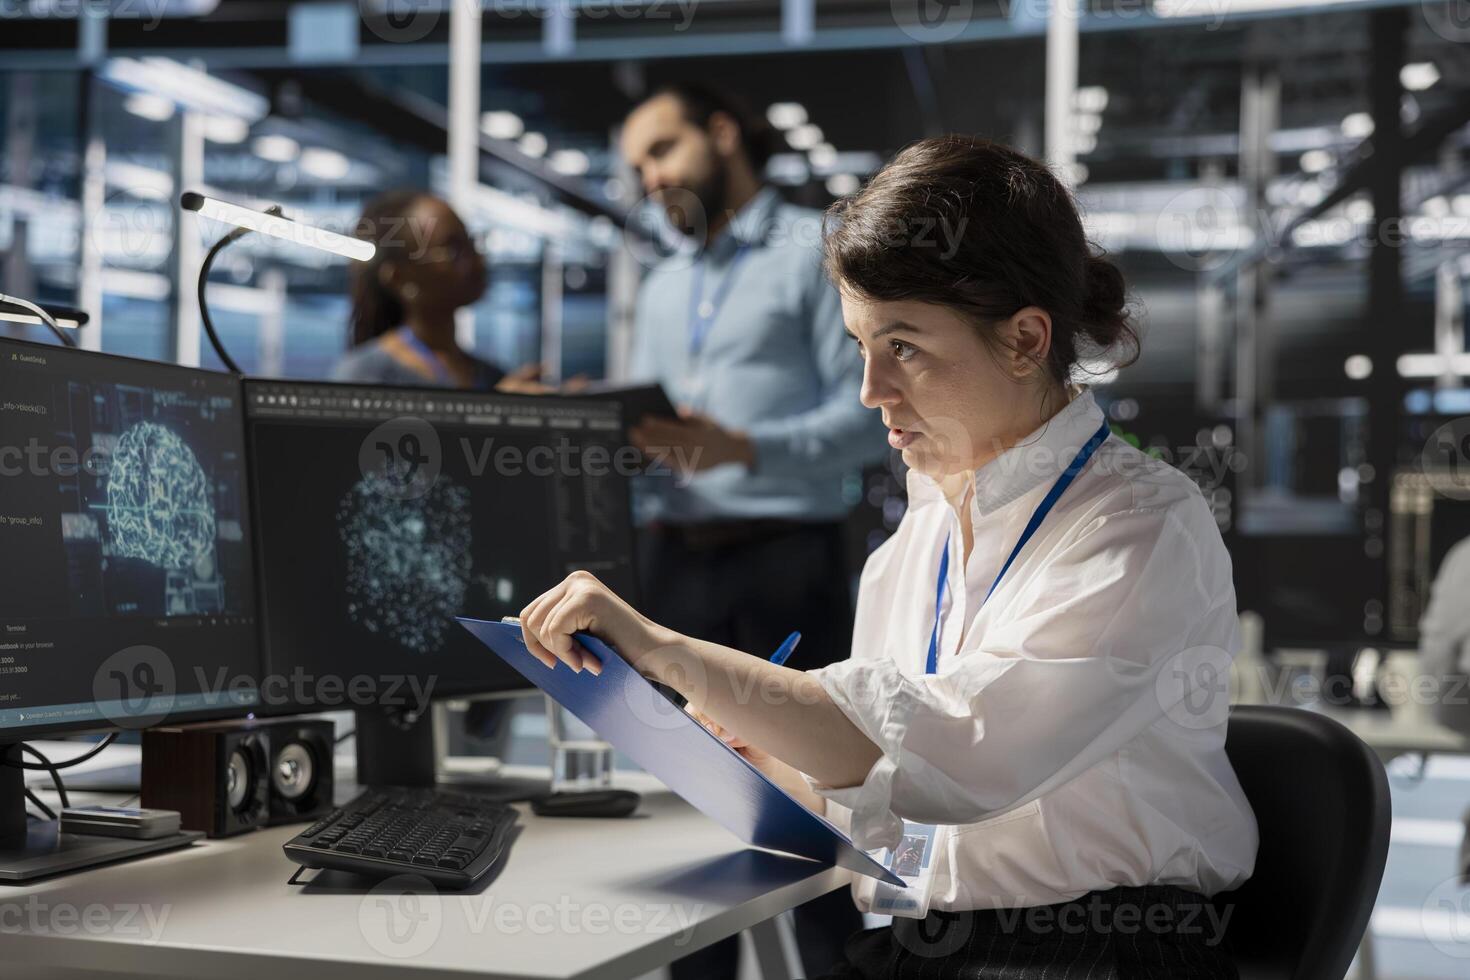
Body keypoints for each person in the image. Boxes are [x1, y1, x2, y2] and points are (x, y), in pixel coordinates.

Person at [515, 137, 1259, 978]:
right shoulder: (918, 537)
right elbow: (889, 806)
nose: (871, 389)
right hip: (927, 944)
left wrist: (663, 651)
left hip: (1093, 951)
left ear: (1024, 340)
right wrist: (765, 756)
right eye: (860, 346)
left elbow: (964, 758)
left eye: (903, 347)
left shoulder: (1139, 524)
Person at [618, 82, 885, 977]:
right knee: (690, 838)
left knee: (814, 829)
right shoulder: (660, 283)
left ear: (721, 133)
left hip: (784, 568)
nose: (648, 179)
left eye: (661, 152)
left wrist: (738, 448)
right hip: (673, 571)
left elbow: (864, 419)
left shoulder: (815, 254)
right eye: (636, 167)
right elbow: (652, 431)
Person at [333, 190, 540, 393]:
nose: (478, 260)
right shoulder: (365, 376)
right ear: (400, 279)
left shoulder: (490, 375)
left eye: (471, 242)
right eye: (453, 249)